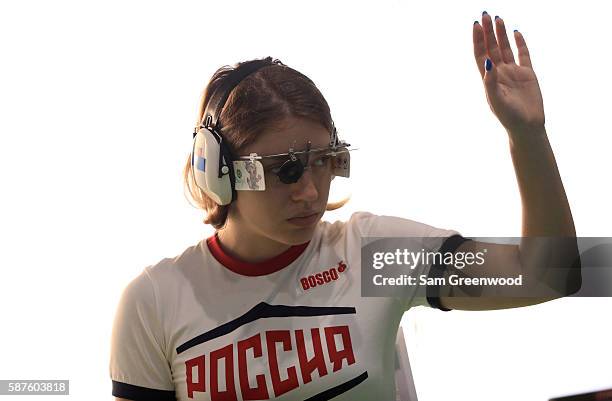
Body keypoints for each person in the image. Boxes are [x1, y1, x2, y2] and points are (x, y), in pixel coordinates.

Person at [109, 12, 581, 401]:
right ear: (218, 170)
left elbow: (547, 275)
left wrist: (527, 136)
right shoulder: (153, 301)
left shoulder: (369, 254)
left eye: (325, 162)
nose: (311, 193)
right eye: (287, 170)